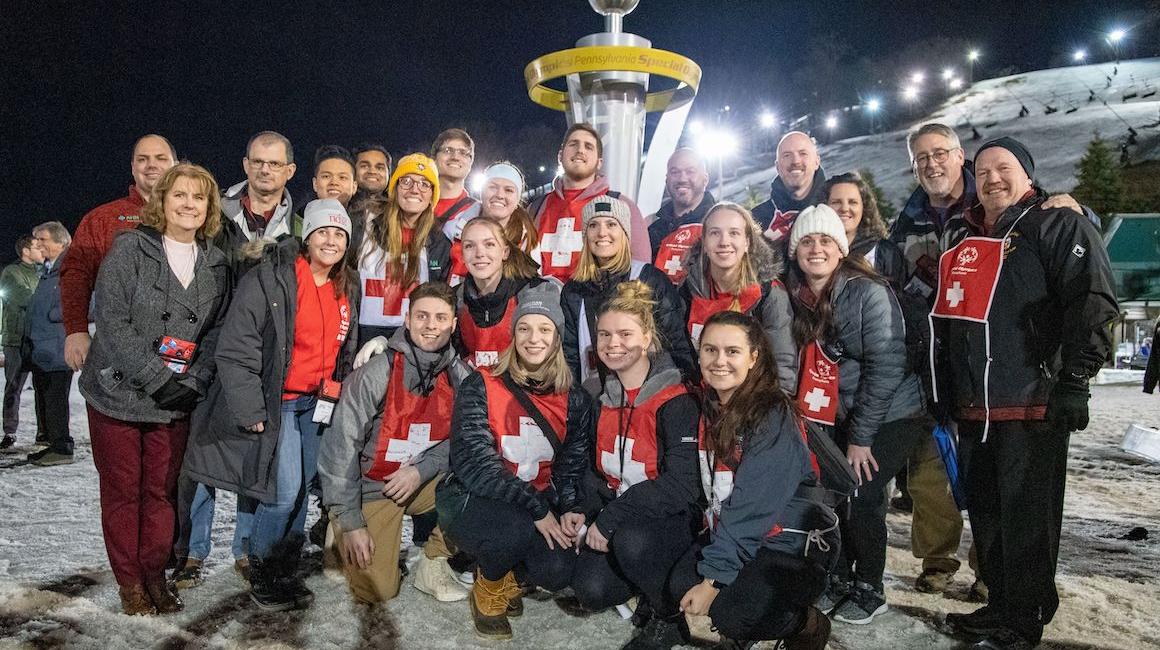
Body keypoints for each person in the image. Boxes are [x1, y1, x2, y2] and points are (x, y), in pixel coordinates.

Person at [933, 138, 1117, 649]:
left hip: (1031, 400)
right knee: (988, 515)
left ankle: (1025, 617)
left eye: (1004, 167)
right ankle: (1001, 606)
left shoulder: (1056, 223)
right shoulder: (965, 236)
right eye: (984, 169)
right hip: (976, 407)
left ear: (1028, 173)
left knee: (1028, 517)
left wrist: (1075, 380)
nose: (992, 178)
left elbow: (1093, 300)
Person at [890, 123, 1087, 600]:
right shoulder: (911, 223)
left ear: (960, 157)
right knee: (950, 482)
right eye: (921, 158)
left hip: (1010, 378)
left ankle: (1002, 586)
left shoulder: (1022, 212)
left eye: (941, 153)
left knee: (1008, 494)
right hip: (946, 373)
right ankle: (960, 574)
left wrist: (1077, 206)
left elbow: (1073, 261)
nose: (931, 164)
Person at [183, 199, 359, 611]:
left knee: (300, 494)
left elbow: (342, 347)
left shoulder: (345, 283)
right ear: (307, 236)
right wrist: (250, 409)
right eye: (323, 232)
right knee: (280, 493)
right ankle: (262, 569)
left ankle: (283, 569)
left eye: (339, 234)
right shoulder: (272, 278)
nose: (331, 241)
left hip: (314, 405)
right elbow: (236, 346)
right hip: (275, 402)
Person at [78, 163, 230, 615]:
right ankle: (130, 583)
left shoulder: (216, 262)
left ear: (209, 208)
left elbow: (216, 330)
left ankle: (154, 575)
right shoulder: (130, 250)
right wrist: (158, 380)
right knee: (124, 492)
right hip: (119, 393)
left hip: (176, 397)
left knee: (162, 494)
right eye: (179, 195)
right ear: (161, 201)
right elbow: (112, 322)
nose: (188, 204)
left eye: (198, 197)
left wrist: (195, 380)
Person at [659, 310, 837, 650]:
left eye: (732, 351)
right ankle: (743, 615)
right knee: (680, 582)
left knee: (731, 610)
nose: (719, 360)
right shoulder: (711, 406)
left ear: (754, 357)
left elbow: (752, 508)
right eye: (710, 350)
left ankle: (805, 624)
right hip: (740, 534)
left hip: (790, 542)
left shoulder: (771, 414)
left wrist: (713, 579)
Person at [784, 205, 926, 625]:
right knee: (836, 493)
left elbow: (885, 366)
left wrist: (861, 437)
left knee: (861, 492)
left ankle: (870, 585)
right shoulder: (800, 296)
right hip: (843, 413)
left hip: (894, 411)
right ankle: (841, 576)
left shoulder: (865, 291)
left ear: (840, 248)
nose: (816, 249)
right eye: (806, 241)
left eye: (825, 240)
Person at [438, 283, 593, 640]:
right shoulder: (482, 384)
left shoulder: (575, 399)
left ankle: (509, 573)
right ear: (513, 334)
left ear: (557, 337)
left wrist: (569, 506)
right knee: (515, 527)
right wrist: (538, 510)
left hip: (531, 502)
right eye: (524, 328)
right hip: (472, 498)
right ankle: (488, 589)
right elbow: (477, 466)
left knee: (558, 569)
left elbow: (569, 467)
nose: (533, 338)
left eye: (544, 329)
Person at [318, 282, 472, 604]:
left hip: (422, 480)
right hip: (372, 486)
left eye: (441, 318)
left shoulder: (460, 376)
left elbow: (466, 439)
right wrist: (350, 520)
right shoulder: (376, 372)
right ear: (407, 318)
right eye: (422, 316)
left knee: (481, 487)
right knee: (377, 591)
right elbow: (340, 449)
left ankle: (433, 563)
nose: (431, 326)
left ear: (454, 324)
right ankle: (339, 525)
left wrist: (421, 469)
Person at [569, 282, 702, 639]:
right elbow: (594, 469)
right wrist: (584, 509)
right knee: (590, 589)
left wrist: (610, 519)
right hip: (624, 514)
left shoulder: (677, 399)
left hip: (669, 517)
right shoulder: (600, 393)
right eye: (604, 335)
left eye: (625, 333)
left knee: (631, 542)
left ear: (646, 337)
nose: (614, 344)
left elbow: (683, 485)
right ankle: (645, 581)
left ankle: (668, 613)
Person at [61, 134, 177, 372]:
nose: (151, 165)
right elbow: (75, 275)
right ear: (133, 168)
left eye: (160, 158)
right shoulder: (103, 218)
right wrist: (76, 330)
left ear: (175, 165)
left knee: (174, 401)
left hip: (177, 347)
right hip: (116, 349)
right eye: (143, 159)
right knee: (110, 408)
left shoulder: (193, 215)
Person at [561, 195, 694, 387]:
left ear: (625, 232)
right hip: (594, 403)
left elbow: (676, 346)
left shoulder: (650, 279)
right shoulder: (573, 291)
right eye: (593, 225)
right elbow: (570, 358)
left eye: (611, 224)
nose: (601, 233)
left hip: (647, 400)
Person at [678, 202, 797, 390]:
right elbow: (680, 354)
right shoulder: (687, 290)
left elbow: (782, 364)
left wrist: (769, 412)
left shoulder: (769, 294)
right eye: (715, 233)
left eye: (734, 233)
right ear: (705, 244)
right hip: (701, 396)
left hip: (752, 399)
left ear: (747, 242)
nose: (724, 241)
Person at [529, 123, 651, 282]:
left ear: (599, 162)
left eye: (588, 147)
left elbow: (639, 267)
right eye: (573, 144)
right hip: (542, 303)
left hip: (596, 304)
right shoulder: (536, 208)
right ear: (560, 156)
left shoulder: (621, 205)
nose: (580, 150)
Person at [357, 154, 451, 344]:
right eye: (406, 181)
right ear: (395, 188)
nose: (415, 189)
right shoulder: (365, 225)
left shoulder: (439, 242)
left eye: (425, 184)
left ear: (433, 194)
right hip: (361, 341)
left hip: (413, 346)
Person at [24, 222, 74, 466]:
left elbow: (85, 302)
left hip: (57, 346)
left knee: (56, 399)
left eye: (43, 239)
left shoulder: (70, 267)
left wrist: (53, 313)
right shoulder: (48, 270)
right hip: (43, 347)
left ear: (61, 242)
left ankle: (62, 448)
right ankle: (53, 444)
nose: (38, 245)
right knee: (46, 398)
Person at [446, 161, 537, 285]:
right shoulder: (453, 229)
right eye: (492, 187)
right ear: (481, 193)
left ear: (518, 200)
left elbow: (535, 286)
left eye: (509, 190)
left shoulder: (527, 237)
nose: (500, 195)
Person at [1, 236, 44, 450]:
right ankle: (10, 432)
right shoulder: (11, 272)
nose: (41, 250)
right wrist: (47, 299)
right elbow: (25, 298)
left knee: (42, 388)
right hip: (16, 340)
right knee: (14, 387)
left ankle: (44, 432)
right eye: (37, 247)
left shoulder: (42, 273)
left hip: (37, 339)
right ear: (26, 251)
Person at [648, 148, 715, 284]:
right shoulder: (653, 228)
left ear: (705, 179)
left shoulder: (718, 225)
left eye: (690, 171)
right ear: (666, 180)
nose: (682, 178)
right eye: (675, 172)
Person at [752, 131, 826, 245]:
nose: (795, 161)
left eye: (803, 153)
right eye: (787, 155)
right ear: (777, 167)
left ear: (817, 161)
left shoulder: (836, 209)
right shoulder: (756, 220)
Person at [431, 128, 482, 235]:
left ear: (470, 162)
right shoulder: (417, 203)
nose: (455, 157)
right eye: (448, 151)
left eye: (463, 153)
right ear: (434, 158)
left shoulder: (480, 212)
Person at [310, 145, 359, 209]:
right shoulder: (299, 218)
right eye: (326, 176)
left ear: (354, 187)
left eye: (342, 177)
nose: (334, 182)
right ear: (315, 184)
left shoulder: (367, 218)